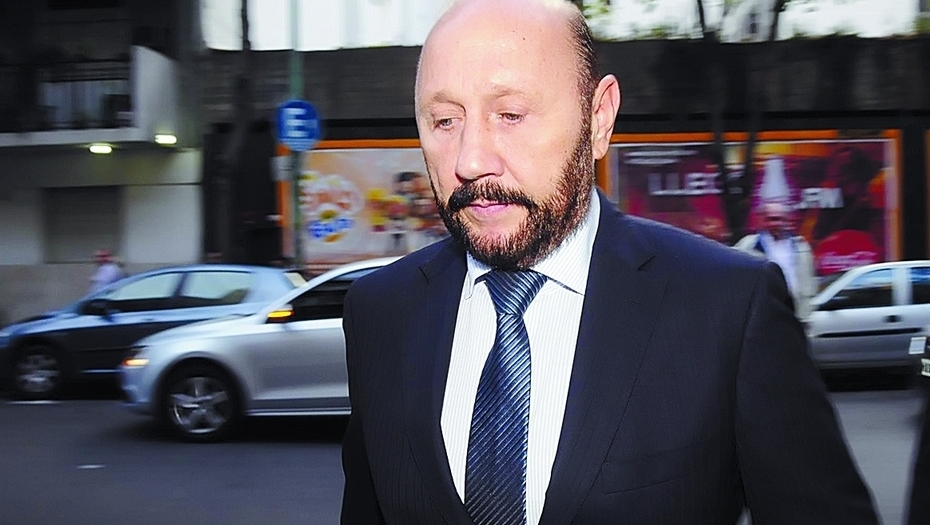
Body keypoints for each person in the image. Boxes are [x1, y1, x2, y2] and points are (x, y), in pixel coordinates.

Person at [340, 1, 879, 524]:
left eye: (510, 115)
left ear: (598, 118)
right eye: (444, 121)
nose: (470, 159)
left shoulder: (729, 308)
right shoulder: (380, 314)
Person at [734, 201, 817, 319]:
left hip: (797, 309)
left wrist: (809, 309)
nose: (777, 223)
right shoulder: (748, 245)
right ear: (762, 220)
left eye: (781, 219)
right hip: (763, 309)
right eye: (772, 219)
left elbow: (809, 278)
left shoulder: (800, 245)